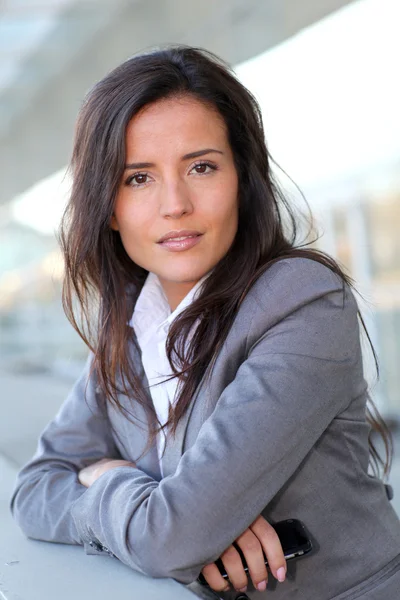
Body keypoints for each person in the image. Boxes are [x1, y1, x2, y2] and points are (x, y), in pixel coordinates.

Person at [10, 45, 400, 599]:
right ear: (109, 206)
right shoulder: (131, 323)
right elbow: (32, 489)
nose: (175, 204)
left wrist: (110, 479)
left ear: (243, 177)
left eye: (201, 166)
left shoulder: (301, 301)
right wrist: (148, 498)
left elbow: (172, 538)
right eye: (138, 178)